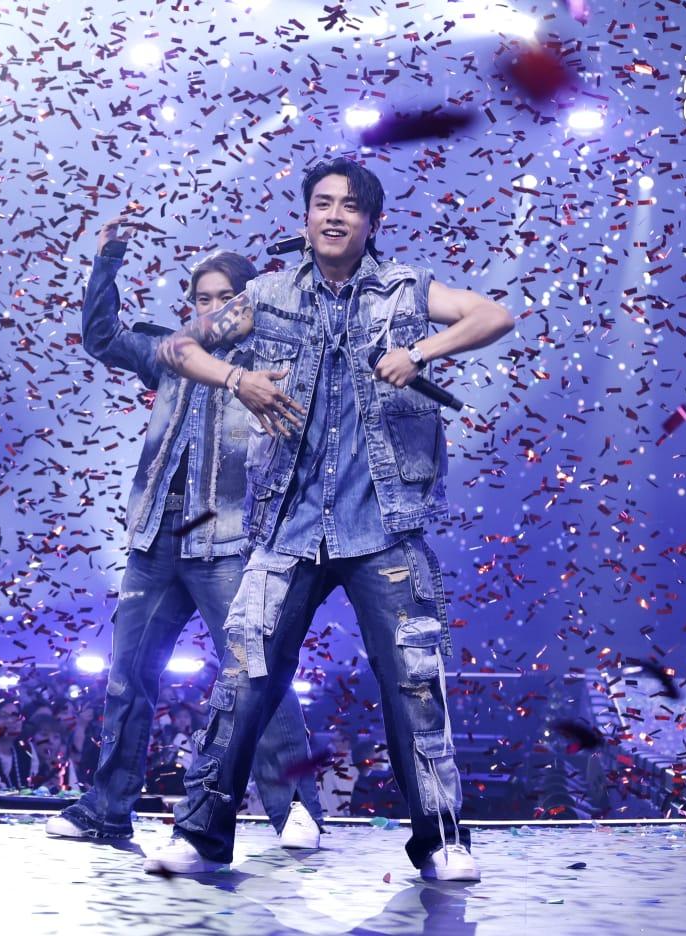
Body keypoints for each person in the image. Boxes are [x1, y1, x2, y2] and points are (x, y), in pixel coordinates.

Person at [145, 156, 514, 881]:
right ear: (307, 217)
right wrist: (237, 378)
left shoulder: (406, 289)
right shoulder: (266, 294)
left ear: (372, 221)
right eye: (323, 203)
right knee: (244, 681)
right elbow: (178, 347)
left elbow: (494, 315)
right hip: (288, 524)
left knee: (414, 684)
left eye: (349, 205)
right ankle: (201, 836)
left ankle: (442, 843)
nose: (334, 215)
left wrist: (419, 351)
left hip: (383, 526)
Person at [45, 220, 325, 847]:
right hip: (156, 536)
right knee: (128, 677)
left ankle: (295, 808)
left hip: (227, 539)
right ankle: (106, 808)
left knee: (254, 675)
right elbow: (101, 337)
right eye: (202, 299)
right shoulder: (171, 353)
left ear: (248, 302)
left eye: (225, 298)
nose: (212, 310)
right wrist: (106, 260)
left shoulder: (272, 362)